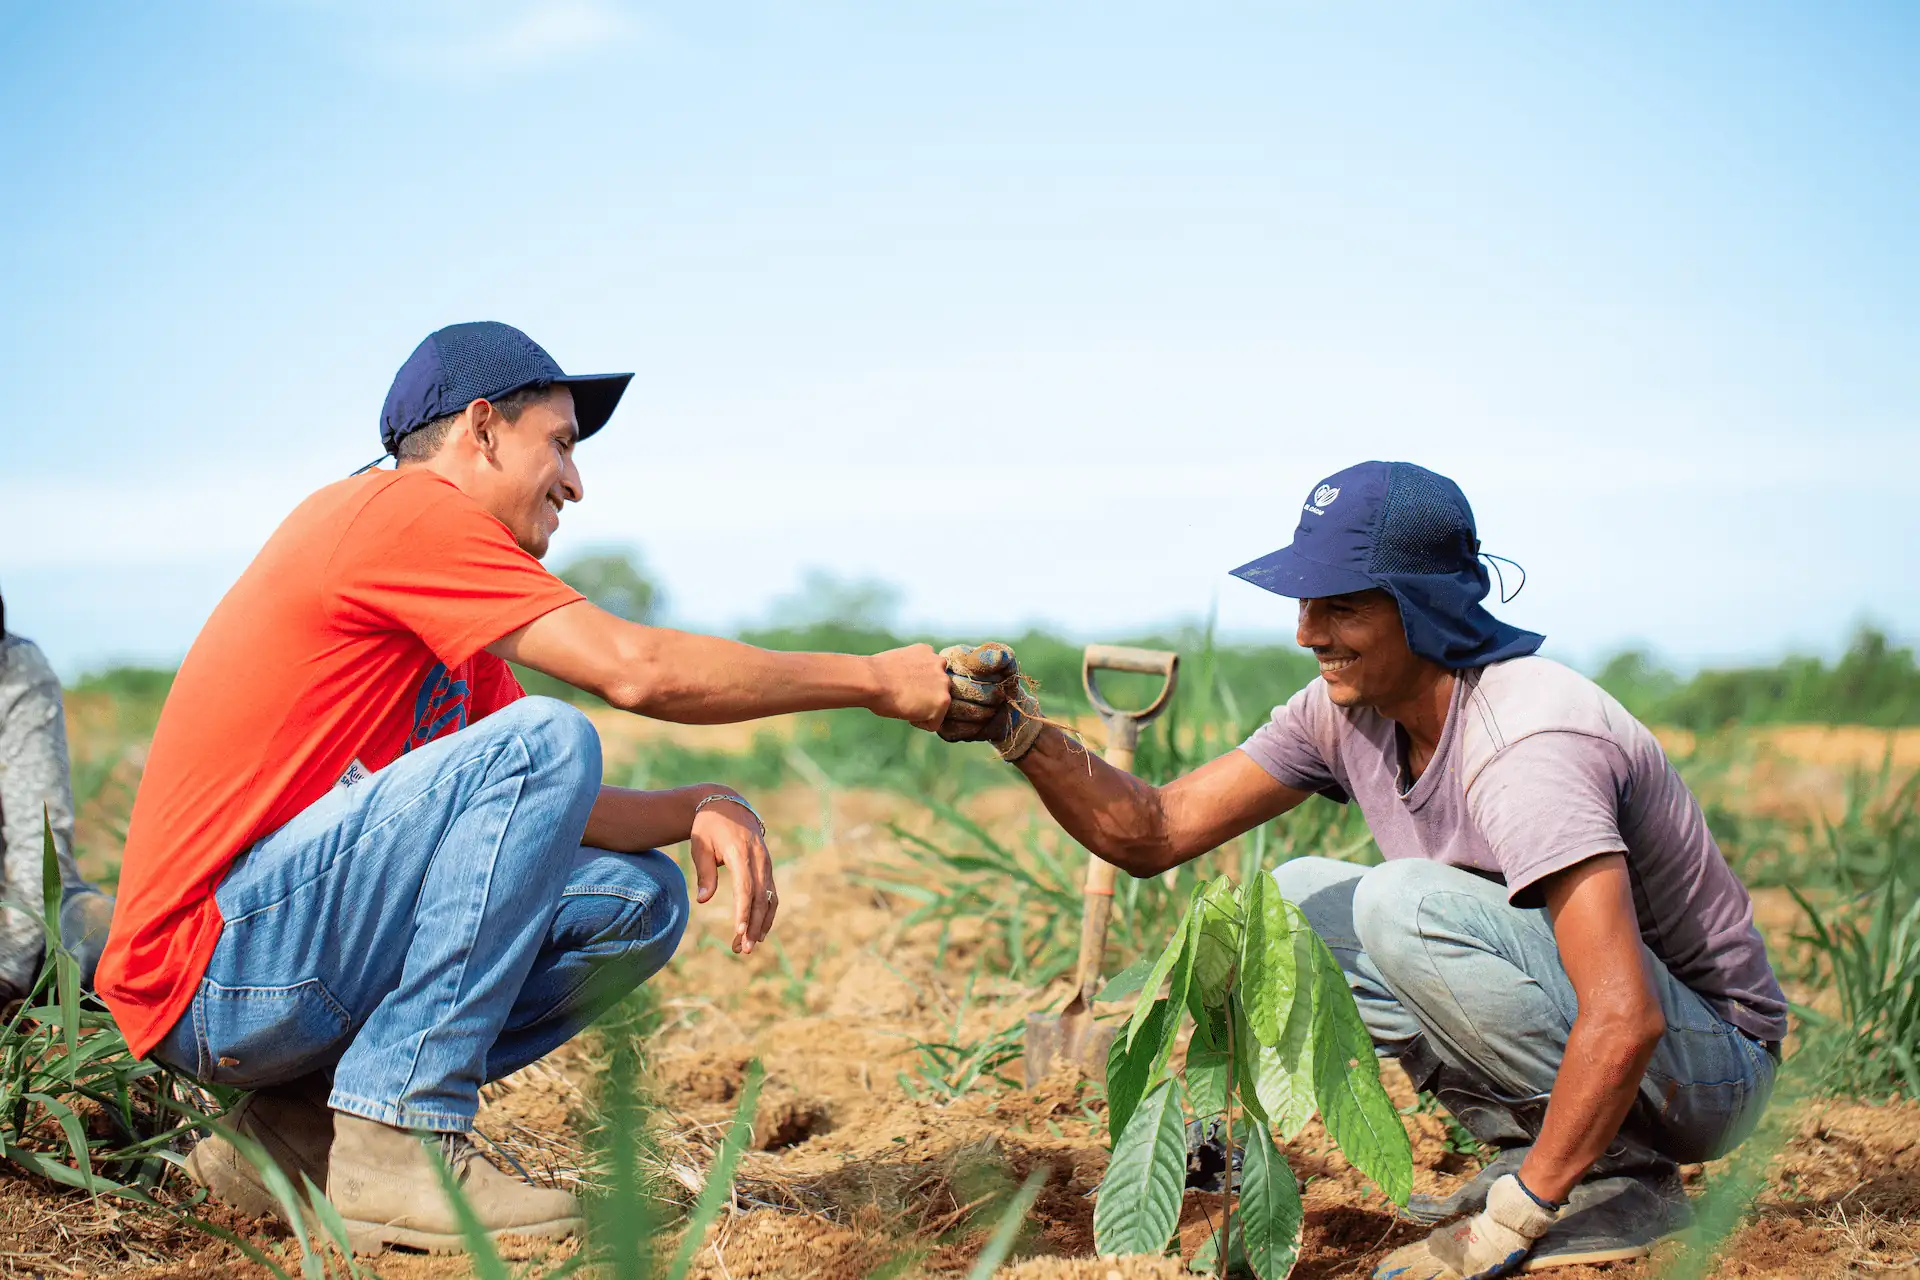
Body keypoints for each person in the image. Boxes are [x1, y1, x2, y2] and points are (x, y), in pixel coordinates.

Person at [98, 322, 954, 1255]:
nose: (576, 482)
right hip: (217, 969)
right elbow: (637, 671)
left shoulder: (448, 605)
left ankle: (291, 1140)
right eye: (562, 444)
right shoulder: (401, 513)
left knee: (638, 898)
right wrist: (876, 681)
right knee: (548, 735)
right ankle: (400, 1134)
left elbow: (534, 811)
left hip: (275, 965)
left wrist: (697, 804)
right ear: (480, 430)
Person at [941, 461, 1785, 1280]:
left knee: (1399, 903)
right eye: (1307, 603)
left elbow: (1625, 1014)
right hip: (1611, 1027)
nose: (1307, 633)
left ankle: (1610, 1180)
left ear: (1423, 609)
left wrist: (1513, 1221)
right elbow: (1156, 831)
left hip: (1706, 1066)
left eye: (1340, 607)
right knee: (1301, 899)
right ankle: (1551, 1148)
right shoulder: (1347, 712)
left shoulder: (1528, 744)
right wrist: (1018, 732)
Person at [0, 589, 116, 1003]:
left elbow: (40, 845)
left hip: (22, 912)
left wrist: (7, 970)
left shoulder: (15, 671)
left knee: (108, 937)